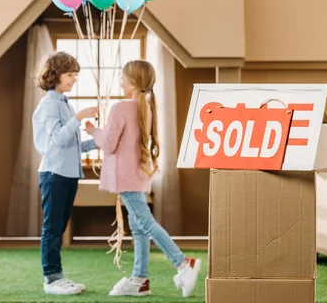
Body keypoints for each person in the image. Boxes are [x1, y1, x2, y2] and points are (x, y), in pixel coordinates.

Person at [86, 59, 201, 298]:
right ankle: (140, 279)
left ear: (131, 82)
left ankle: (183, 263)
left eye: (122, 78)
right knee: (138, 227)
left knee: (145, 223)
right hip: (138, 174)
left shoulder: (121, 108)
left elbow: (108, 145)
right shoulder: (145, 107)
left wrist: (92, 131)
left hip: (125, 176)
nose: (120, 82)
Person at [32, 52, 99, 295]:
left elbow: (72, 145)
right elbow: (58, 140)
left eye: (75, 75)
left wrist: (97, 142)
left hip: (67, 174)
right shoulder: (50, 103)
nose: (74, 79)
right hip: (54, 174)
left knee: (58, 227)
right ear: (56, 75)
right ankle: (51, 279)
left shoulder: (62, 102)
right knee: (52, 228)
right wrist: (80, 117)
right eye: (70, 75)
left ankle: (57, 276)